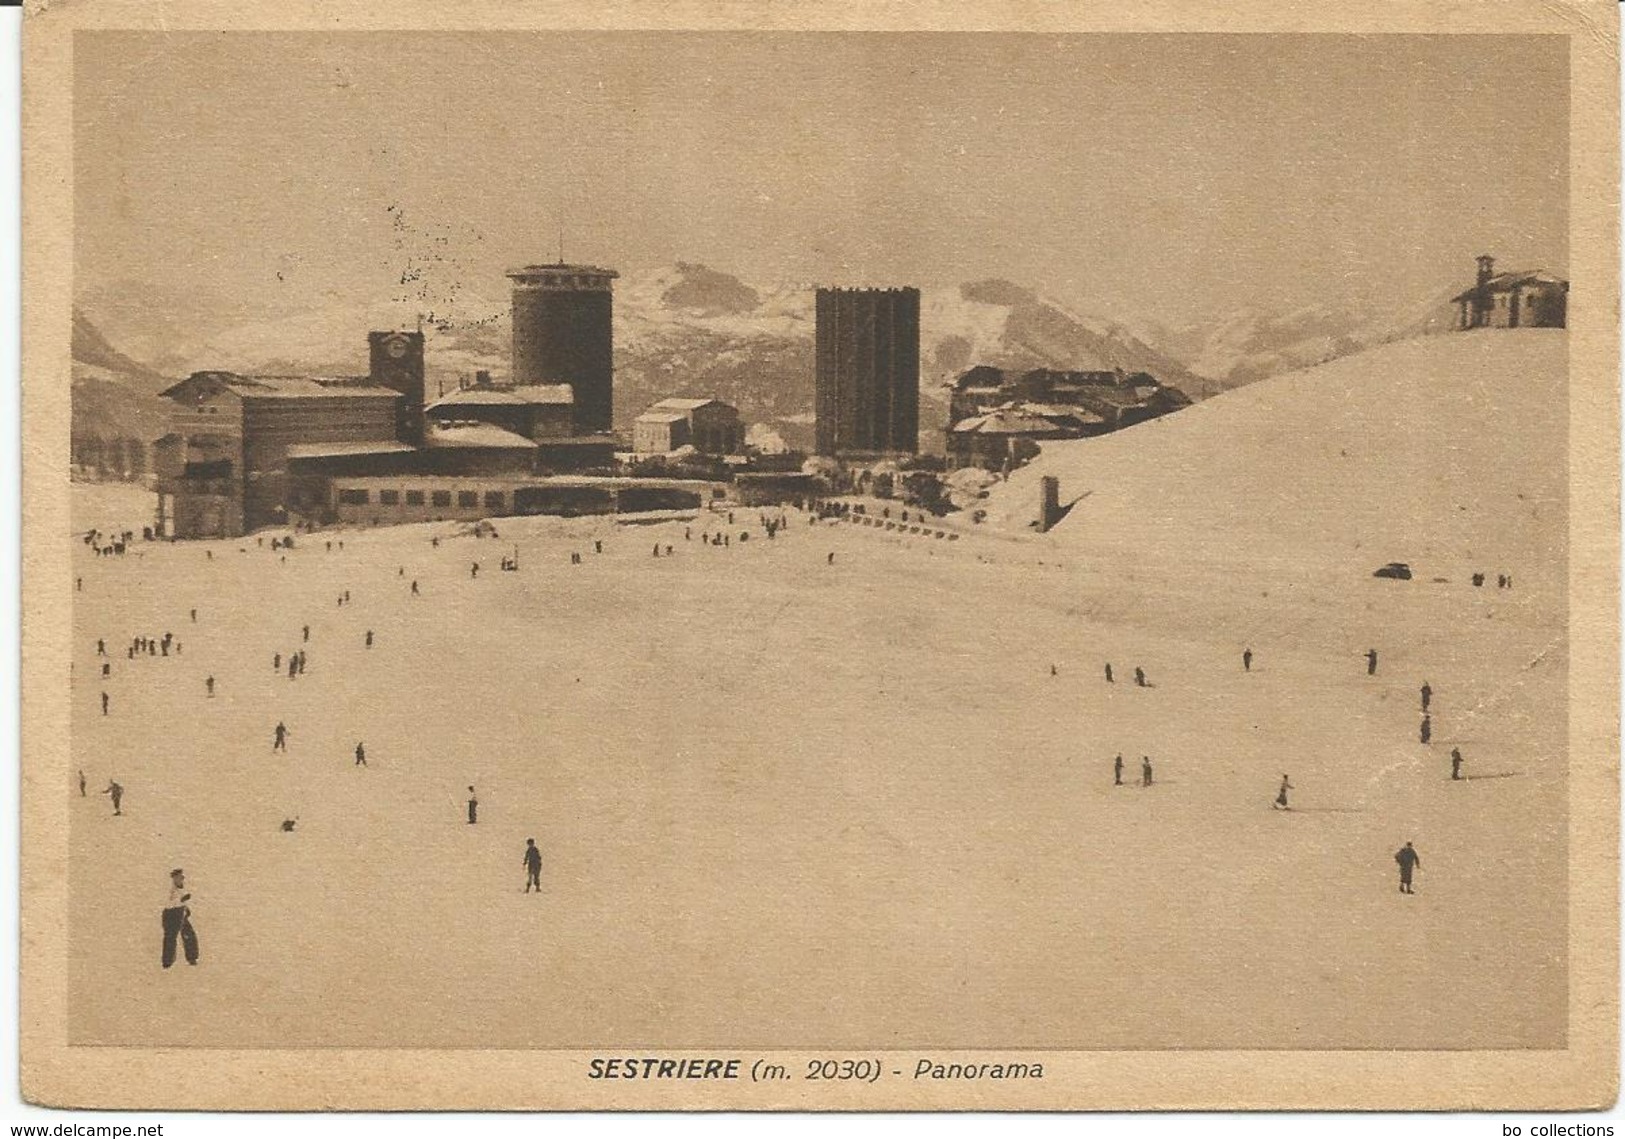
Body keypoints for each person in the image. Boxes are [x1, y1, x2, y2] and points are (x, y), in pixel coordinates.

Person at [161, 869, 200, 968]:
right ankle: (167, 961)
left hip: (181, 913)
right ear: (174, 878)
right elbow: (168, 903)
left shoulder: (181, 888)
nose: (181, 879)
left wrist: (186, 909)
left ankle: (192, 958)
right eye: (179, 877)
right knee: (170, 937)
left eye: (182, 877)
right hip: (171, 914)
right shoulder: (169, 889)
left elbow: (183, 900)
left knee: (189, 934)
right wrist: (181, 900)